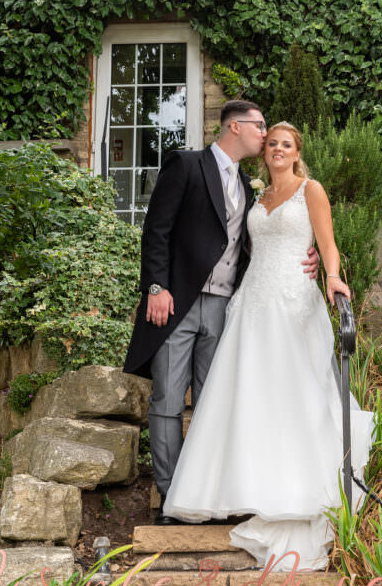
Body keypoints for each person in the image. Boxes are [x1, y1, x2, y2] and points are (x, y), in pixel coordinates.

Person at [161, 121, 375, 571]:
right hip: (252, 304)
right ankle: (243, 487)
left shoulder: (310, 189)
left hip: (293, 304)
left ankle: (292, 488)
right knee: (252, 398)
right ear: (265, 153)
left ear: (297, 153)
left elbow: (327, 244)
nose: (277, 149)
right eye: (272, 143)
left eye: (286, 144)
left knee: (293, 395)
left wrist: (331, 275)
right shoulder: (254, 195)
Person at [121, 100, 320, 525]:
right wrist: (156, 287)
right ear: (236, 126)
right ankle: (172, 494)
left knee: (215, 403)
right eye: (260, 126)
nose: (266, 135)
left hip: (228, 307)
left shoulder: (251, 191)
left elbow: (261, 244)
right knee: (169, 400)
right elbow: (157, 230)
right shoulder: (187, 165)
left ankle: (213, 491)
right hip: (178, 304)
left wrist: (308, 257)